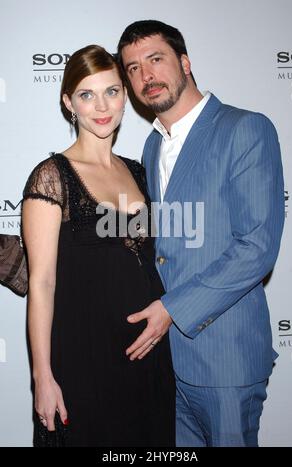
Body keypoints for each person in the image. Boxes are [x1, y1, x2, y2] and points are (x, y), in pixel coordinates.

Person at [117, 20, 285, 447]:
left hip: (225, 359)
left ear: (185, 62)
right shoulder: (152, 146)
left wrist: (173, 309)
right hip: (168, 362)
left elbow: (257, 246)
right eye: (133, 68)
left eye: (155, 60)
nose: (146, 76)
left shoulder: (245, 128)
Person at [22, 44, 175, 447]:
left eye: (111, 91)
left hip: (149, 360)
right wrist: (43, 377)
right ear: (68, 102)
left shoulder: (141, 172)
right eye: (87, 95)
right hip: (83, 363)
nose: (101, 105)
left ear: (125, 94)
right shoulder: (52, 177)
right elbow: (42, 284)